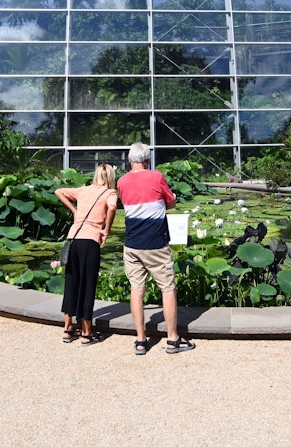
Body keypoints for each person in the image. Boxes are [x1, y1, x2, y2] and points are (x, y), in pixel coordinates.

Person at [116, 142, 195, 356]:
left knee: (136, 289)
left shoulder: (121, 181)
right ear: (147, 160)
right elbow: (171, 204)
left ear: (130, 160)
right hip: (156, 243)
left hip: (132, 244)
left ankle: (141, 340)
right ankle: (172, 339)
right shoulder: (156, 177)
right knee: (167, 288)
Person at [55, 163, 118, 345]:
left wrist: (74, 211)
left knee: (71, 283)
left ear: (96, 175)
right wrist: (106, 230)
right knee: (87, 285)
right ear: (111, 177)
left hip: (73, 239)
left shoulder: (83, 190)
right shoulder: (109, 193)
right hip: (90, 241)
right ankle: (86, 332)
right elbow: (112, 208)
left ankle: (68, 328)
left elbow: (59, 191)